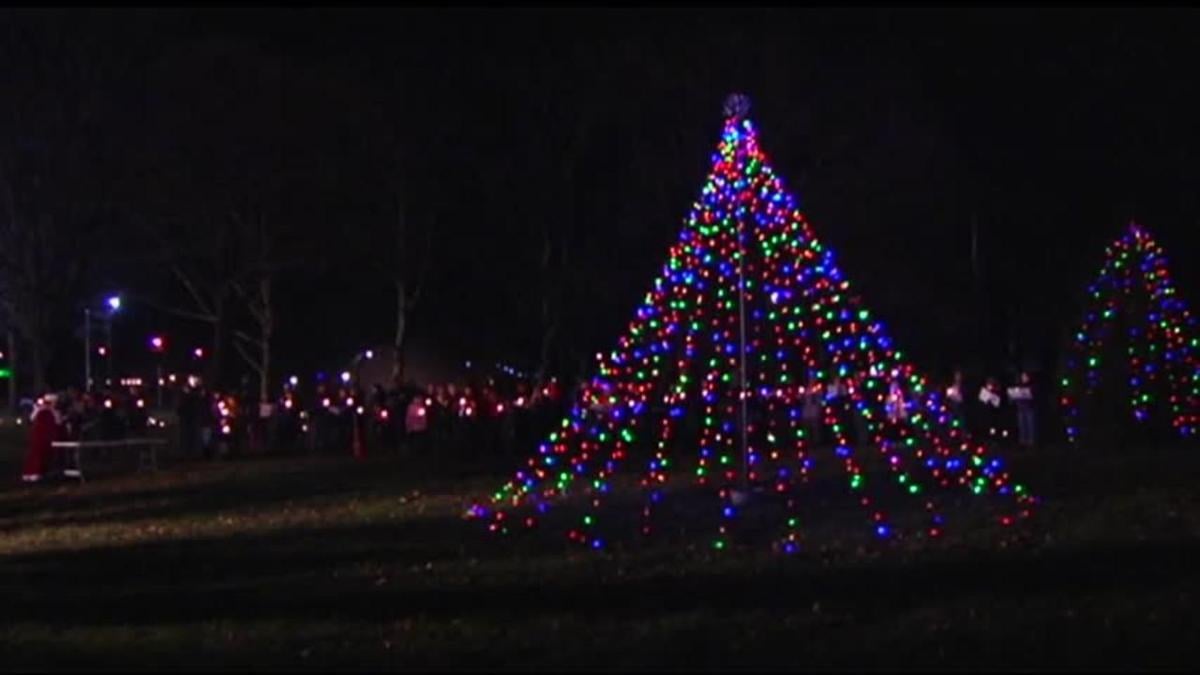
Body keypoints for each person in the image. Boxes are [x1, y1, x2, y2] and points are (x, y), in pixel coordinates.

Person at [22, 394, 62, 482]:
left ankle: (29, 473)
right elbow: (58, 422)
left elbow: (31, 419)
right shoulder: (53, 412)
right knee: (41, 455)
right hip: (46, 437)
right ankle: (37, 473)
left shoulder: (39, 410)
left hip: (37, 436)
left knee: (34, 454)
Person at [1009, 372, 1036, 448]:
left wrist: (1028, 394)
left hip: (1029, 408)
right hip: (1020, 409)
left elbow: (1033, 396)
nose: (1023, 378)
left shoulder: (1032, 385)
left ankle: (1031, 442)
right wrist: (1013, 396)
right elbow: (1014, 396)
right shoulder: (1019, 385)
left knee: (1030, 426)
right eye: (1022, 376)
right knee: (1021, 425)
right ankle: (1022, 442)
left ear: (1028, 377)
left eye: (1025, 376)